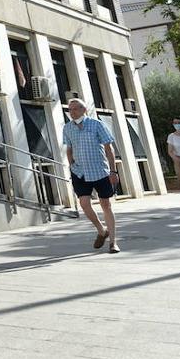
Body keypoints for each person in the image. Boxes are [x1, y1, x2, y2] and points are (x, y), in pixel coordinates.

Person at [62, 98, 121, 253]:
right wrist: (71, 164)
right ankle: (101, 230)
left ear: (84, 109)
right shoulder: (67, 128)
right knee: (84, 203)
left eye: (75, 108)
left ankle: (113, 242)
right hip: (79, 171)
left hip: (99, 170)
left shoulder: (97, 124)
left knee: (105, 205)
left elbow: (109, 148)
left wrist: (113, 171)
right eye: (70, 109)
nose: (72, 112)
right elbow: (69, 148)